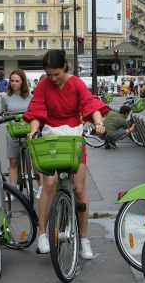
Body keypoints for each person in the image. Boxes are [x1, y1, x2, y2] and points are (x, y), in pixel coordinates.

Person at [24, 49, 109, 259]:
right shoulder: (43, 85)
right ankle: (42, 234)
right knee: (49, 184)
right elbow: (36, 110)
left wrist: (98, 123)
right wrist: (33, 130)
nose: (52, 78)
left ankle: (84, 240)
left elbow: (90, 104)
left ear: (64, 67)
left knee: (79, 189)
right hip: (51, 135)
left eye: (56, 74)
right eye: (49, 74)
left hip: (73, 136)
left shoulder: (76, 83)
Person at [1, 69, 42, 199]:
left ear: (22, 82)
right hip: (13, 131)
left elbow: (36, 113)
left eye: (17, 81)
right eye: (12, 81)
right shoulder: (5, 97)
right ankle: (13, 191)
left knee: (34, 160)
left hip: (29, 130)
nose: (14, 83)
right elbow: (3, 112)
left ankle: (41, 186)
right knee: (13, 162)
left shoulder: (31, 97)